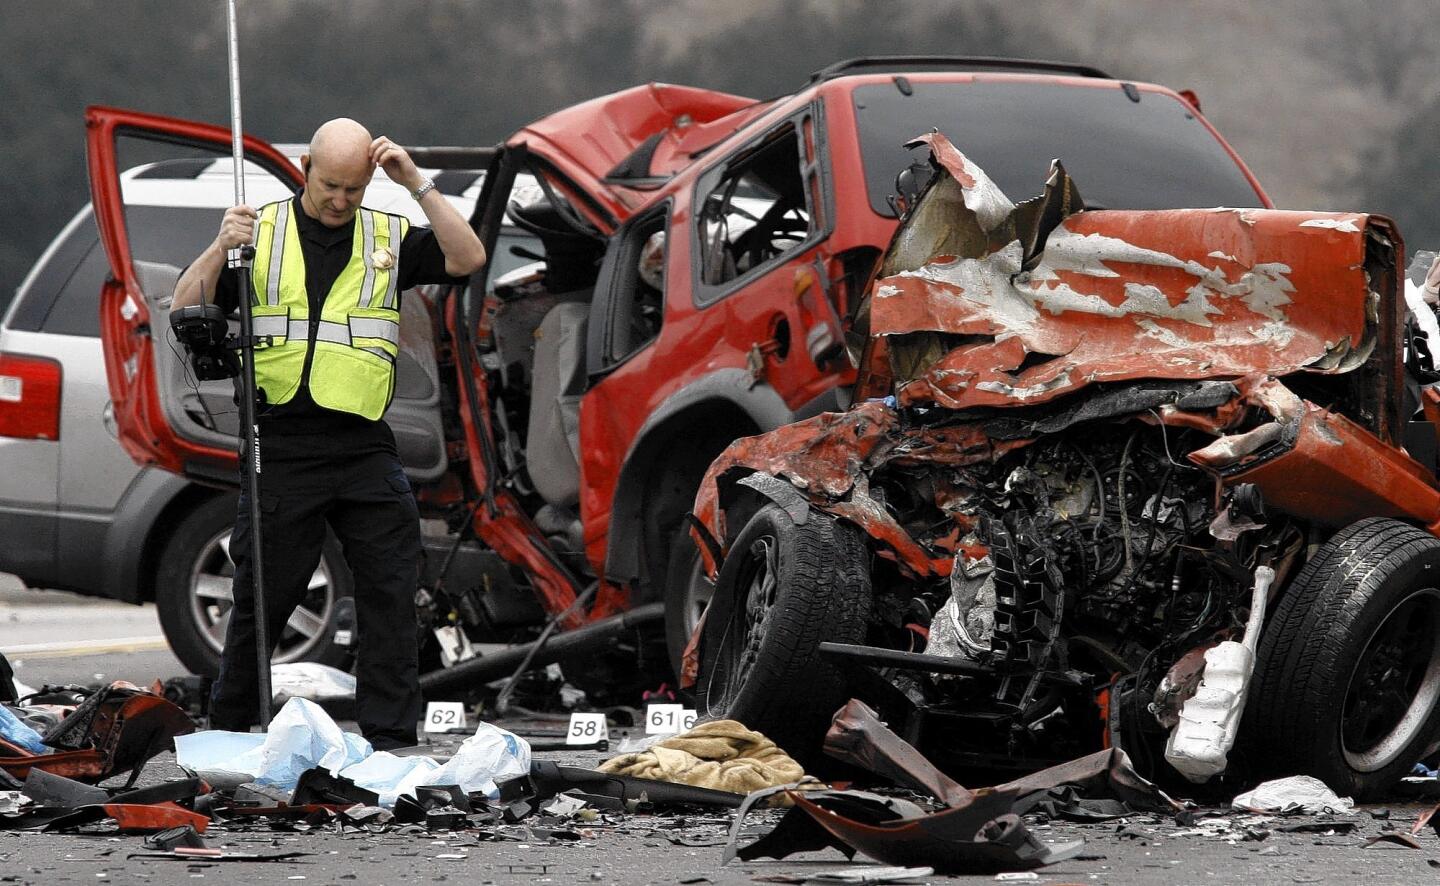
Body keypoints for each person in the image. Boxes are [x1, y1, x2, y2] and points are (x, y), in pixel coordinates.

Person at [173, 118, 486, 749]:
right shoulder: (259, 232)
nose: (341, 200)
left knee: (392, 590)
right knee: (262, 598)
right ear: (306, 171)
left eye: (355, 187)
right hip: (283, 443)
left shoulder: (389, 236)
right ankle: (228, 735)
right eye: (330, 185)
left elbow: (468, 257)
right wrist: (218, 246)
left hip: (364, 445)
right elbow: (185, 307)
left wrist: (415, 183)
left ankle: (392, 744)